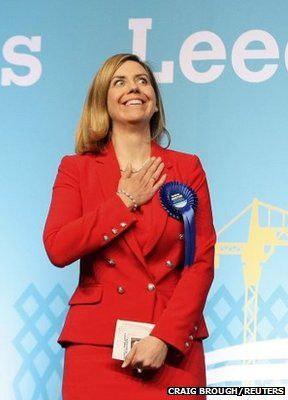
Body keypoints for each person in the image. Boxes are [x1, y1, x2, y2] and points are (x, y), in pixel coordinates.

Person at [43, 53, 215, 399]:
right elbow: (58, 247)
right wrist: (124, 202)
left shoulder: (187, 168)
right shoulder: (76, 169)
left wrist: (164, 338)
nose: (133, 87)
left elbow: (201, 262)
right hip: (97, 348)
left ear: (154, 102)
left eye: (142, 80)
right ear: (103, 102)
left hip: (174, 346)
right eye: (118, 82)